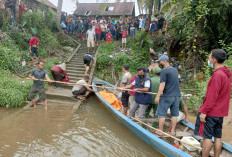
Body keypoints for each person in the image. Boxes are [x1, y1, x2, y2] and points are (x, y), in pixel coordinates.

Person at [194, 49, 231, 157]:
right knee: (218, 136)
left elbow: (212, 96)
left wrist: (204, 111)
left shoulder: (217, 75)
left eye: (210, 57)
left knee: (207, 137)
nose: (208, 59)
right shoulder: (226, 74)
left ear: (214, 60)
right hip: (221, 112)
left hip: (212, 111)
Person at [154, 55, 181, 136]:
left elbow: (162, 84)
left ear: (164, 61)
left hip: (167, 96)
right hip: (177, 96)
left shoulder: (164, 71)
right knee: (174, 114)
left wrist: (158, 96)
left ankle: (160, 130)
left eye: (160, 62)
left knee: (161, 114)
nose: (159, 63)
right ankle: (172, 131)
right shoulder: (175, 70)